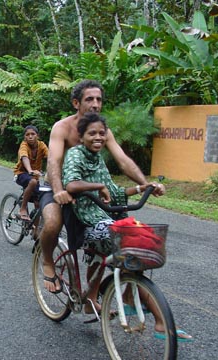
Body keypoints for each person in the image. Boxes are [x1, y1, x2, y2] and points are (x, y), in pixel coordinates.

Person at [62, 112, 192, 341]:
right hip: (86, 220)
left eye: (102, 133)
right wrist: (97, 185)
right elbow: (71, 184)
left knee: (138, 241)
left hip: (106, 218)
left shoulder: (98, 159)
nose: (98, 138)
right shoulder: (75, 154)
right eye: (92, 133)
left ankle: (123, 298)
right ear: (81, 136)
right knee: (125, 248)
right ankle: (160, 322)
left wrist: (145, 187)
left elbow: (115, 193)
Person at [39, 79, 165, 294]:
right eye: (90, 99)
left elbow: (122, 160)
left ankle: (94, 294)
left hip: (88, 191)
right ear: (76, 103)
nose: (95, 104)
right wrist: (59, 190)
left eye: (99, 99)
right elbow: (54, 162)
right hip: (57, 184)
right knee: (52, 222)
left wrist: (145, 185)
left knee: (109, 236)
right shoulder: (62, 127)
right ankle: (48, 261)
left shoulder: (101, 130)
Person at [13, 125, 48, 222]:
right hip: (21, 174)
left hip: (34, 177)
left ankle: (35, 232)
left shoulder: (41, 145)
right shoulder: (24, 145)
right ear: (25, 137)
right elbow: (24, 157)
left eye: (33, 134)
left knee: (38, 203)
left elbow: (50, 156)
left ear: (38, 136)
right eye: (27, 134)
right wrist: (30, 170)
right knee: (32, 181)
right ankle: (23, 209)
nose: (30, 136)